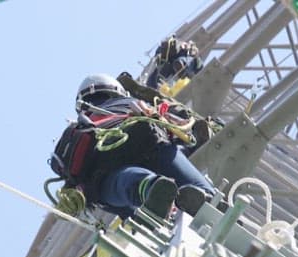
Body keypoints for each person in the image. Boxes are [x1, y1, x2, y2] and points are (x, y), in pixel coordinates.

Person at [51, 73, 217, 220]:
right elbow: (176, 125)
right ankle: (209, 201)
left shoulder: (78, 129)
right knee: (197, 187)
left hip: (102, 172)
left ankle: (151, 187)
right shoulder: (129, 102)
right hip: (149, 142)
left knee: (126, 183)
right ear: (116, 89)